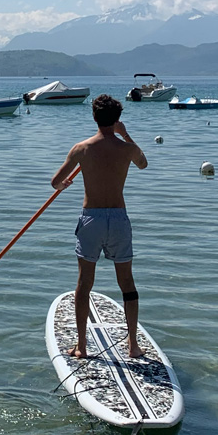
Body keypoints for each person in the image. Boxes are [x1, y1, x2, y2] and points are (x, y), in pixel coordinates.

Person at [51, 93, 148, 359]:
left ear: (94, 117)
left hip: (91, 218)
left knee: (84, 284)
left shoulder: (81, 149)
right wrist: (125, 135)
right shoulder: (126, 149)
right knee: (127, 282)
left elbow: (56, 182)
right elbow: (143, 163)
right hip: (118, 218)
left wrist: (64, 184)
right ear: (117, 120)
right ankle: (133, 346)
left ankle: (81, 347)